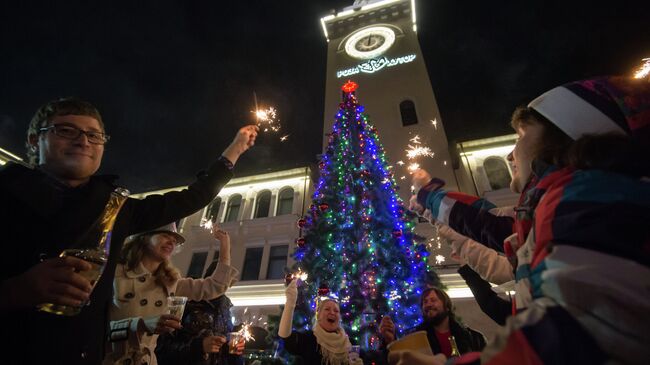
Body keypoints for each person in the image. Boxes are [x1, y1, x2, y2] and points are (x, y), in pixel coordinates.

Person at [392, 76, 650, 364]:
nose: (510, 153)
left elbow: (566, 343)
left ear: (565, 136)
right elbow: (488, 223)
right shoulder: (563, 202)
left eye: (522, 136)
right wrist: (429, 200)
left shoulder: (587, 200)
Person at [0, 97, 257, 365]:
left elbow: (192, 197)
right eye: (66, 130)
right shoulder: (9, 195)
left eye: (94, 135)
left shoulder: (115, 207)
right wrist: (17, 290)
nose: (83, 141)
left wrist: (235, 149)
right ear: (33, 140)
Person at [105, 224, 238, 364]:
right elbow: (96, 329)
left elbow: (215, 286)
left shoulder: (171, 282)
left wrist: (225, 244)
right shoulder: (113, 273)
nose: (171, 242)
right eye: (165, 236)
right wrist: (140, 325)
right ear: (144, 237)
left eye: (174, 240)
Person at [156, 260, 245, 365]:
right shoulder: (183, 302)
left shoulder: (224, 310)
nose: (224, 286)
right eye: (221, 281)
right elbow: (161, 349)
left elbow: (227, 354)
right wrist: (199, 347)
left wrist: (234, 351)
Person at [380, 287, 486, 358]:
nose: (428, 304)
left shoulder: (474, 338)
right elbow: (399, 360)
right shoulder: (413, 337)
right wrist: (390, 341)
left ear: (447, 307)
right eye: (425, 302)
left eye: (433, 300)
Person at [278, 279, 363, 365]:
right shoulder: (309, 339)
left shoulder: (350, 344)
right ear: (318, 316)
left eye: (336, 311)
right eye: (327, 309)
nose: (332, 312)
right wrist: (290, 302)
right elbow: (285, 336)